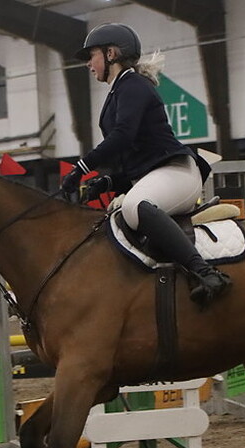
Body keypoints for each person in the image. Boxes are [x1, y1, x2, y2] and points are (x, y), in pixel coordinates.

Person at [61, 23, 231, 308]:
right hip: (159, 173)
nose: (89, 64)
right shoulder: (118, 92)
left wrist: (81, 166)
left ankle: (205, 272)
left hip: (179, 173)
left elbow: (123, 136)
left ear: (111, 53)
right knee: (114, 213)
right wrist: (108, 182)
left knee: (133, 206)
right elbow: (136, 160)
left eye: (92, 55)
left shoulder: (132, 85)